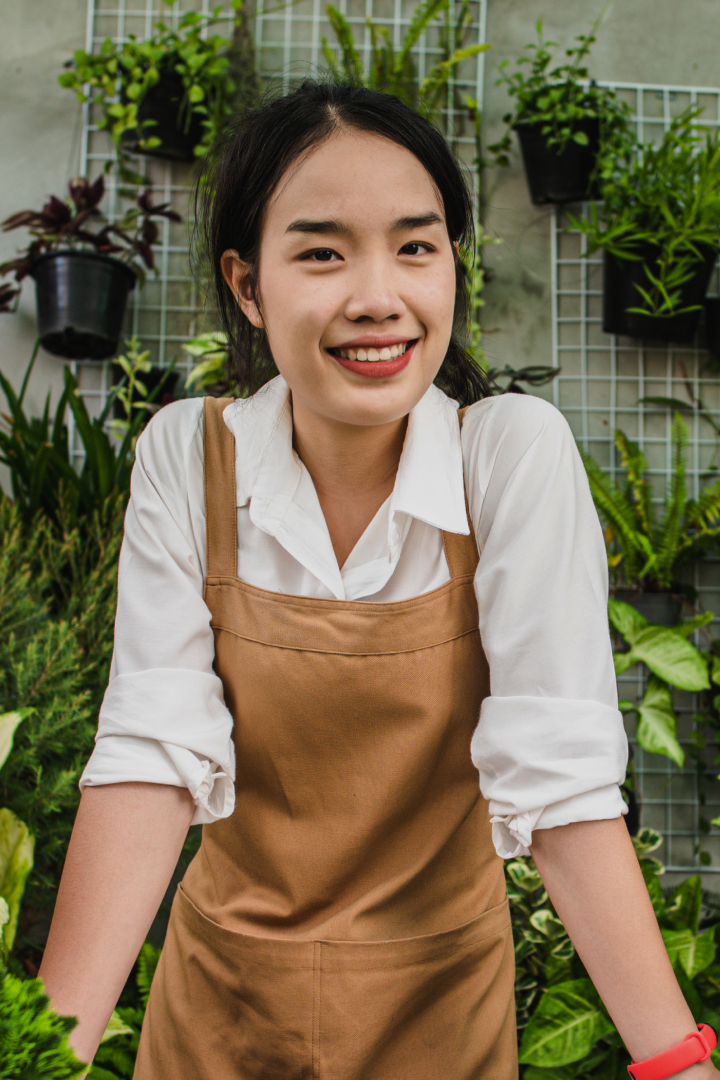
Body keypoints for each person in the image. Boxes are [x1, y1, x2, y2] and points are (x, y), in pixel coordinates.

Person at [39, 81, 718, 1080]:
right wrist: (43, 1052)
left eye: (416, 245)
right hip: (219, 1007)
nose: (377, 296)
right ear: (247, 284)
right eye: (321, 251)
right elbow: (150, 763)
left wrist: (679, 1064)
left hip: (441, 1010)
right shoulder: (189, 457)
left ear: (454, 265)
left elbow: (562, 783)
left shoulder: (507, 457)